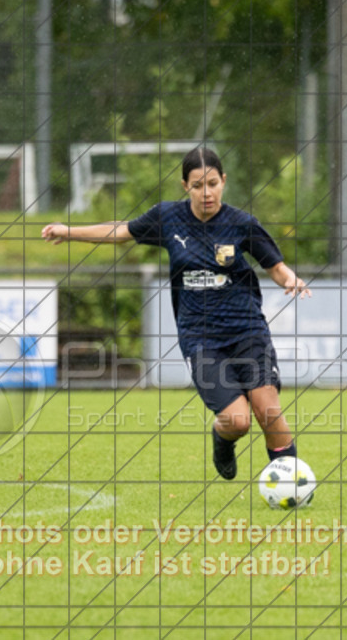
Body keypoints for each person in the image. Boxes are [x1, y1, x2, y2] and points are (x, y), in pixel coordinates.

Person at [42, 147, 311, 480]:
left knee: (267, 409)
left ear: (223, 181)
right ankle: (222, 438)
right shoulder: (167, 218)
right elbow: (121, 231)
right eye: (198, 185)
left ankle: (292, 487)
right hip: (200, 337)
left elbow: (276, 267)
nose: (207, 193)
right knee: (238, 421)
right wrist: (69, 231)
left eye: (212, 183)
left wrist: (291, 280)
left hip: (247, 330)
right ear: (185, 186)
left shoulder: (242, 223)